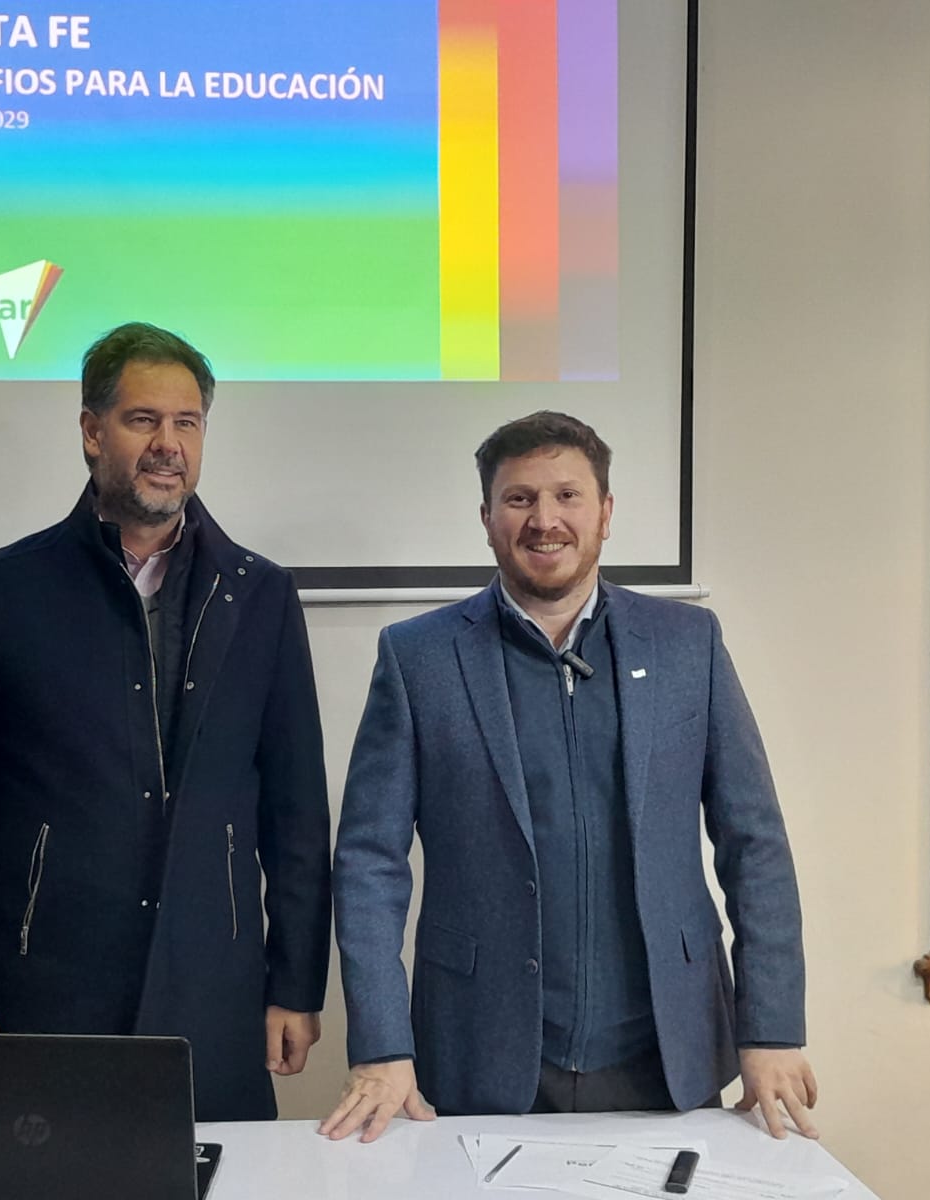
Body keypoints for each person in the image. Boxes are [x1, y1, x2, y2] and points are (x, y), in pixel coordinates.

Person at [321, 411, 816, 1143]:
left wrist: (770, 1027)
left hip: (666, 1049)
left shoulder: (689, 645)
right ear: (486, 517)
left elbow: (755, 843)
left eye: (568, 496)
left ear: (606, 513)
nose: (544, 520)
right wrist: (381, 1045)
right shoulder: (418, 657)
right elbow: (369, 861)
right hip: (480, 1049)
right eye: (519, 498)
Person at [0, 321, 332, 1122]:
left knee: (222, 1177)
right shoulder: (3, 592)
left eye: (187, 422)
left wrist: (296, 982)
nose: (168, 444)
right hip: (48, 989)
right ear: (92, 431)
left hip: (215, 988)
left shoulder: (261, 596)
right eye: (143, 419)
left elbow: (297, 813)